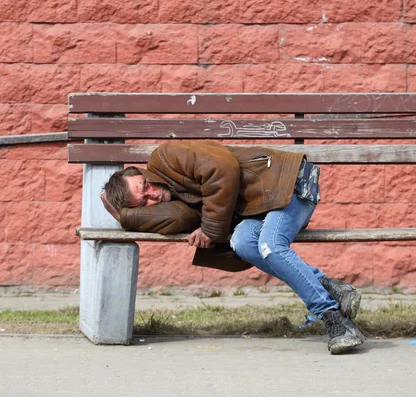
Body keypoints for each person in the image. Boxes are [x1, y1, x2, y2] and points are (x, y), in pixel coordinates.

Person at [101, 140, 365, 354]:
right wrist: (124, 217)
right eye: (143, 202)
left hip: (286, 183)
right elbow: (182, 219)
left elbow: (221, 167)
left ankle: (335, 319)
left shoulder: (167, 157)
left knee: (270, 245)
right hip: (258, 206)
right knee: (241, 243)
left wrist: (209, 229)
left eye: (145, 186)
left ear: (141, 173)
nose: (152, 195)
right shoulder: (173, 198)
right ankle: (328, 287)